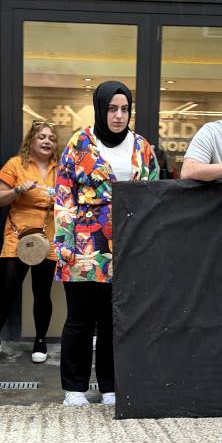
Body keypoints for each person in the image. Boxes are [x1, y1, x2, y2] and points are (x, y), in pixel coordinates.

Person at [55, 81, 159, 406]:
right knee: (81, 317)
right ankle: (74, 388)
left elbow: (154, 195)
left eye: (124, 109)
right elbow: (63, 194)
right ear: (101, 109)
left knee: (115, 318)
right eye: (112, 109)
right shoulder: (79, 143)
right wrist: (64, 242)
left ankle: (111, 385)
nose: (118, 115)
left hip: (129, 245)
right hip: (85, 244)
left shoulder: (141, 147)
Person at [0, 120, 60, 368]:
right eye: (41, 137)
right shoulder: (16, 164)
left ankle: (40, 340)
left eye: (51, 138)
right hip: (19, 236)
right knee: (6, 291)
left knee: (42, 291)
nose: (47, 141)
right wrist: (17, 190)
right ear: (31, 142)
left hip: (49, 235)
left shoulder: (62, 169)